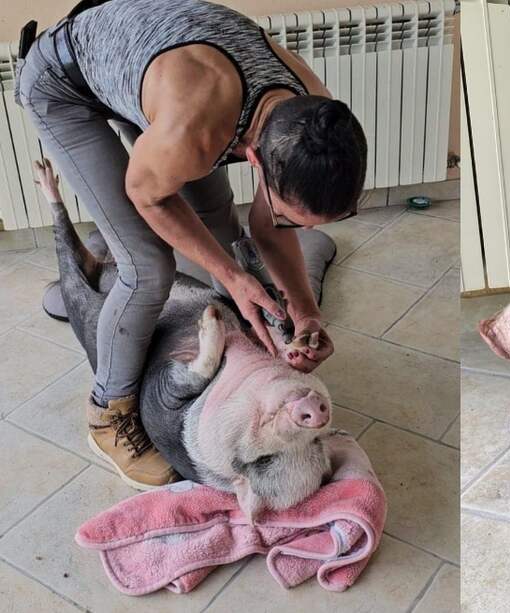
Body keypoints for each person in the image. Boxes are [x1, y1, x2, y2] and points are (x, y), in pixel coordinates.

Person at [15, 0, 367, 489]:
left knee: (218, 221)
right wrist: (232, 276)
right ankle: (106, 414)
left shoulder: (314, 116)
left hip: (150, 64)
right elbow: (147, 195)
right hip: (62, 81)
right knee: (147, 265)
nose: (296, 230)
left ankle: (225, 294)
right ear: (257, 164)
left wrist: (305, 311)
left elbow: (269, 229)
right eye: (292, 216)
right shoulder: (197, 128)